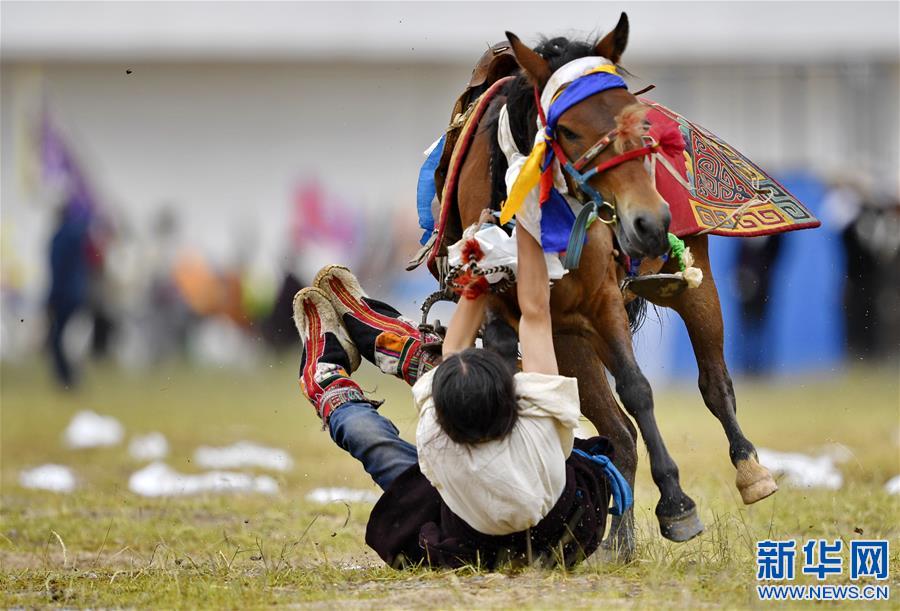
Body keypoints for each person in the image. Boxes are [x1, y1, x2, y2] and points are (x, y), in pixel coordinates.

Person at [292, 225, 631, 569]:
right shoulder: (539, 425)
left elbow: (453, 350)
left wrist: (478, 279)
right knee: (422, 398)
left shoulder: (434, 435)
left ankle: (326, 379)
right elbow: (536, 315)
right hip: (559, 536)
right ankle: (372, 339)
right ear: (513, 396)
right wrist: (529, 225)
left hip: (464, 535)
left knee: (377, 440)